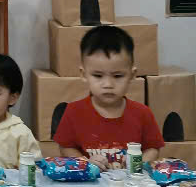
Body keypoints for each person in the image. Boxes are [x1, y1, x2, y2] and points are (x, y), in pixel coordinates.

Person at [54, 25, 163, 170]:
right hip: (89, 180)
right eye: (98, 76)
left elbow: (153, 148)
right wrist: (85, 162)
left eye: (117, 76)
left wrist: (139, 163)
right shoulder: (73, 112)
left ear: (132, 75)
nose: (108, 84)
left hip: (131, 181)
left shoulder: (143, 113)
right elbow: (66, 147)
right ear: (84, 74)